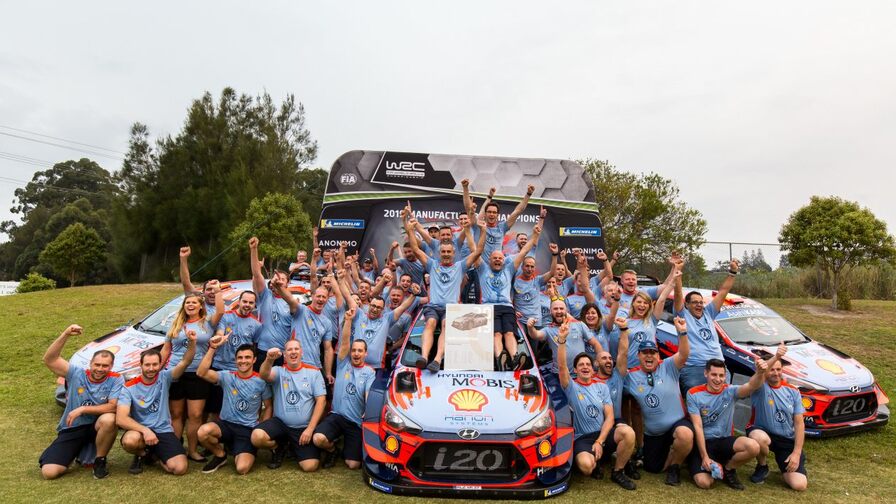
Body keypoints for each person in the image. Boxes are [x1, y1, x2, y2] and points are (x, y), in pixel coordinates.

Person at [556, 322, 637, 490]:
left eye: (587, 364)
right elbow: (562, 366)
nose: (585, 367)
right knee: (586, 466)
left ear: (593, 370)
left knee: (628, 432)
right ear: (575, 370)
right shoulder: (571, 387)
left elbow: (610, 417)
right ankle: (597, 462)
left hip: (603, 435)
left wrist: (600, 441)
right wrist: (562, 340)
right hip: (583, 438)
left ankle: (618, 472)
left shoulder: (602, 387)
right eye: (581, 365)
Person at [404, 209, 486, 372]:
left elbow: (478, 251)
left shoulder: (460, 266)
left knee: (446, 325)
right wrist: (410, 230)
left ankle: (437, 359)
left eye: (449, 252)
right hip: (433, 306)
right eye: (443, 252)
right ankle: (424, 357)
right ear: (439, 253)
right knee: (430, 323)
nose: (446, 254)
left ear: (454, 253)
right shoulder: (432, 264)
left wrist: (483, 231)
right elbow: (416, 249)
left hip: (451, 308)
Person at [40, 324, 123, 480]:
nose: (100, 369)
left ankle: (99, 461)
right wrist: (65, 334)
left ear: (111, 366)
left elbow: (113, 407)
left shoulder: (116, 379)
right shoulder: (76, 373)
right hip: (73, 427)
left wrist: (83, 409)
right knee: (49, 472)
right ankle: (77, 451)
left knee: (109, 419)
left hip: (96, 428)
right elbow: (50, 359)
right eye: (97, 364)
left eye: (105, 366)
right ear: (90, 364)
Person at [619, 317, 692, 486]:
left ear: (658, 355)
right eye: (645, 352)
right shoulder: (631, 377)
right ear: (638, 356)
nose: (649, 355)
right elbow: (624, 401)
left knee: (685, 435)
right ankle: (674, 452)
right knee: (653, 468)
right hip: (654, 433)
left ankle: (675, 467)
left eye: (653, 352)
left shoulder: (668, 366)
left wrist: (682, 332)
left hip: (678, 424)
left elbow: (684, 354)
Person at [117, 337, 197, 476]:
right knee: (130, 441)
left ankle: (156, 455)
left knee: (180, 468)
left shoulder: (165, 377)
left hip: (163, 430)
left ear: (161, 364)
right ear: (141, 365)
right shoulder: (129, 387)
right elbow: (121, 419)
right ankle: (142, 453)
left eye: (155, 364)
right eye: (147, 365)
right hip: (140, 432)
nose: (151, 368)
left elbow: (186, 361)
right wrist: (145, 430)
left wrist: (192, 342)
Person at [161, 290, 224, 462]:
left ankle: (193, 450)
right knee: (176, 414)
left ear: (200, 306)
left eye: (194, 303)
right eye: (187, 303)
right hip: (175, 373)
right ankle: (176, 449)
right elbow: (166, 349)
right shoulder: (176, 324)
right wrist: (158, 369)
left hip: (198, 374)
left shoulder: (207, 323)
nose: (190, 305)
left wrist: (217, 291)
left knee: (195, 415)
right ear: (183, 306)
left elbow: (220, 311)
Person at [687, 358, 767, 490]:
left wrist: (759, 373)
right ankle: (699, 462)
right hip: (704, 443)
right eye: (714, 375)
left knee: (753, 447)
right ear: (706, 373)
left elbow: (752, 386)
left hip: (724, 441)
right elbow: (698, 427)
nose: (718, 379)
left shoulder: (730, 391)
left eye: (721, 375)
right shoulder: (693, 394)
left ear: (725, 376)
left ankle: (729, 469)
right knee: (704, 483)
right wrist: (705, 457)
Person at [196, 337, 270, 475]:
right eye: (240, 358)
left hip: (247, 429)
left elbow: (269, 407)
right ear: (235, 360)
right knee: (203, 432)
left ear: (254, 360)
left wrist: (261, 428)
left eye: (247, 357)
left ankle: (239, 448)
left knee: (242, 469)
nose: (243, 361)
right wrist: (212, 348)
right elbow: (201, 372)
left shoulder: (261, 381)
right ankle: (220, 455)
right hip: (226, 425)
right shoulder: (227, 376)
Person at [472, 223, 541, 370]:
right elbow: (476, 250)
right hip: (489, 308)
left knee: (510, 333)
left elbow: (524, 251)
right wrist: (473, 231)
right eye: (495, 258)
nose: (498, 260)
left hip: (507, 307)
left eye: (500, 258)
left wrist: (535, 235)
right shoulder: (482, 269)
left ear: (504, 260)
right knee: (496, 334)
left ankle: (515, 358)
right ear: (489, 260)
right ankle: (500, 358)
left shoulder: (509, 269)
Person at [313, 306, 376, 469]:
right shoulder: (343, 364)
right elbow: (345, 342)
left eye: (360, 351)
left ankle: (346, 448)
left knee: (353, 464)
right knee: (318, 438)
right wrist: (348, 321)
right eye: (354, 350)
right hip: (337, 416)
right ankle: (332, 449)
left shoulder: (369, 372)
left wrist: (368, 410)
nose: (356, 353)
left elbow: (368, 393)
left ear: (365, 354)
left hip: (355, 422)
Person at [252, 340, 327, 472]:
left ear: (301, 352)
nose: (293, 352)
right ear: (284, 355)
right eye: (289, 350)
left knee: (310, 466)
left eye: (296, 349)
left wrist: (310, 429)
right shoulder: (279, 371)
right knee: (257, 437)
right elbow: (263, 375)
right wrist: (269, 359)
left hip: (303, 428)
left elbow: (321, 401)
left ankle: (294, 447)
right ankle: (278, 448)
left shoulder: (314, 372)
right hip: (280, 424)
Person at [747, 343, 808, 491]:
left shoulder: (793, 391)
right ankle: (762, 466)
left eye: (779, 369)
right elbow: (759, 374)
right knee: (758, 437)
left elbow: (799, 424)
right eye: (772, 369)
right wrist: (777, 356)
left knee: (799, 485)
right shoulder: (759, 385)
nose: (775, 373)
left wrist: (796, 453)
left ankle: (788, 462)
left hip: (785, 439)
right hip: (762, 431)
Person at [674, 259, 740, 392]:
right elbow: (678, 293)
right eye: (695, 302)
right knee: (697, 400)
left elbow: (723, 291)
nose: (699, 305)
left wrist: (732, 272)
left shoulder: (709, 313)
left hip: (718, 366)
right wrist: (678, 271)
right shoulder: (682, 315)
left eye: (701, 302)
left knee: (722, 399)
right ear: (687, 304)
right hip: (694, 367)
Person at [526, 299, 602, 375]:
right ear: (550, 312)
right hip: (559, 374)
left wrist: (599, 360)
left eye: (561, 308)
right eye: (555, 309)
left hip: (581, 373)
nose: (559, 311)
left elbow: (595, 343)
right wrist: (530, 327)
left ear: (566, 311)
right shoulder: (548, 330)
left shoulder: (579, 324)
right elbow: (535, 335)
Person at [250, 237, 293, 368]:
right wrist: (254, 249)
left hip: (282, 353)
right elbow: (257, 275)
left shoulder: (291, 302)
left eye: (282, 279)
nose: (278, 281)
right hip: (263, 350)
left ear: (288, 283)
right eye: (275, 278)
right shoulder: (265, 296)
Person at [179, 245, 220, 317]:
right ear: (203, 293)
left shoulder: (226, 309)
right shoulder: (197, 303)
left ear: (220, 292)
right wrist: (183, 258)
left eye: (215, 289)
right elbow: (186, 283)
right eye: (209, 289)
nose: (213, 292)